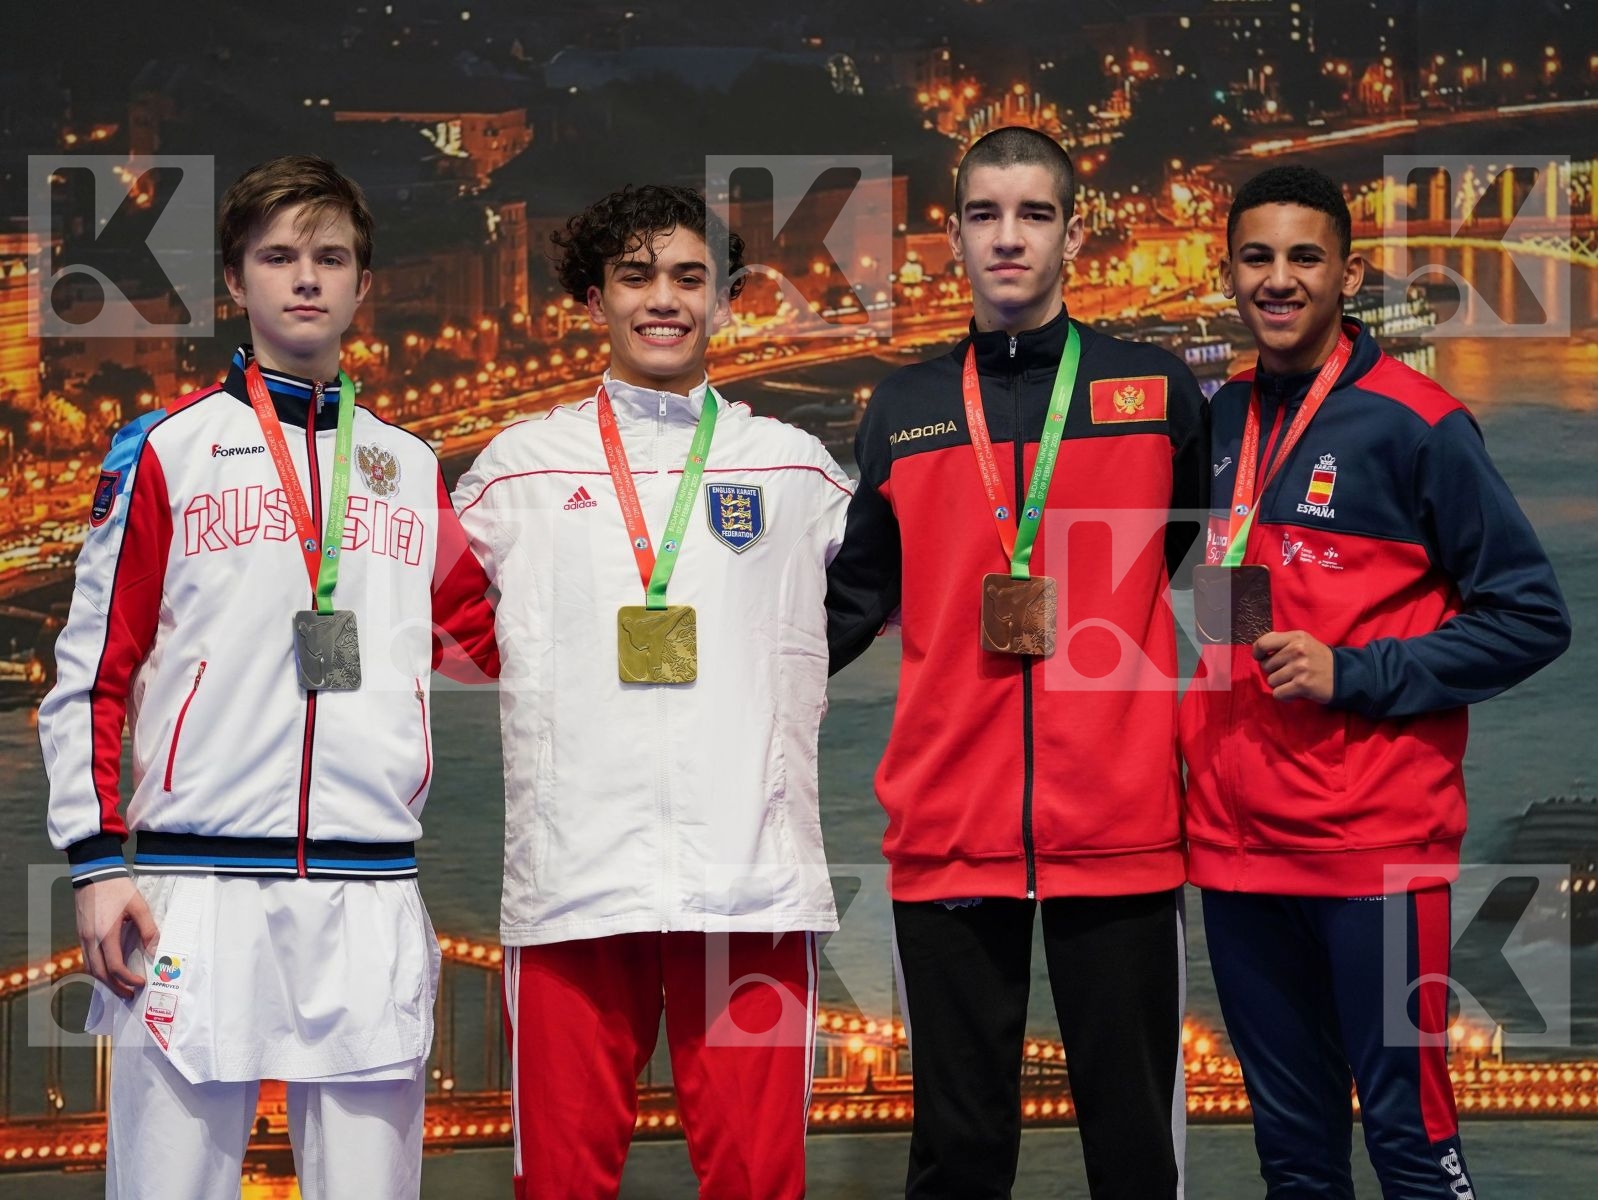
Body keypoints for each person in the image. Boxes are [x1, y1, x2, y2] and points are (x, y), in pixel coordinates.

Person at [39, 154, 498, 1199]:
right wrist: (99, 862)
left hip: (371, 884)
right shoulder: (164, 452)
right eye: (278, 256)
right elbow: (92, 675)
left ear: (361, 286)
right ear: (233, 283)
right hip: (197, 887)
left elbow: (489, 642)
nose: (305, 278)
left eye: (330, 258)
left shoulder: (411, 466)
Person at [825, 126, 1208, 1199]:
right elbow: (853, 599)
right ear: (952, 238)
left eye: (1033, 214)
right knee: (957, 1146)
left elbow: (1181, 552)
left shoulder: (1156, 391)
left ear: (1072, 233)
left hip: (1121, 821)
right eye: (984, 215)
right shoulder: (899, 410)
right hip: (947, 818)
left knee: (1133, 1145)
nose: (1008, 238)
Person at [453, 183, 851, 1200]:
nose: (662, 299)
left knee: (759, 1182)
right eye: (635, 277)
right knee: (561, 1186)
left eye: (687, 277)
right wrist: (559, 692)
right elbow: (445, 626)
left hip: (749, 884)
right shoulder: (516, 470)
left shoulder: (793, 469)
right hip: (574, 888)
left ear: (722, 299)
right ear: (593, 301)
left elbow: (892, 595)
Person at [1181, 163, 1570, 1198]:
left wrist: (1352, 670)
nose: (1277, 280)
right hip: (1233, 853)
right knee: (1290, 1154)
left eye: (1302, 258)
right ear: (1226, 271)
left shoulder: (1418, 423)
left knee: (1408, 1142)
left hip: (1372, 854)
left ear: (1345, 273)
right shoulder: (1217, 422)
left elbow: (1531, 618)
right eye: (1255, 258)